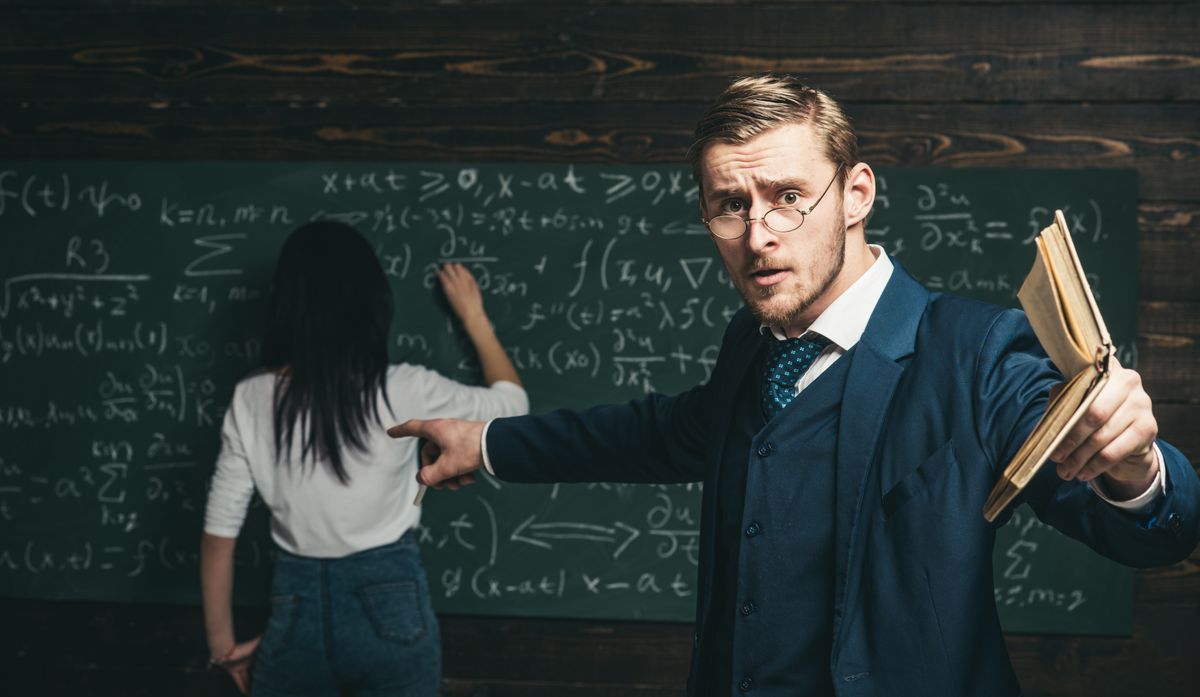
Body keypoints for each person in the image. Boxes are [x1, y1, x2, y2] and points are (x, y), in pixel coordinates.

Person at [388, 75, 1200, 697]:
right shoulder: (751, 343)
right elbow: (661, 432)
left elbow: (1157, 531)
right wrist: (486, 440)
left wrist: (1134, 468)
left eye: (786, 197)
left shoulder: (975, 353)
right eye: (728, 205)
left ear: (856, 194)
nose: (759, 235)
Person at [200, 221, 528, 696]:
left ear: (286, 303)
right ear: (373, 301)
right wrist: (474, 318)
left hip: (295, 609)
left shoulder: (252, 398)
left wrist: (223, 647)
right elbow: (513, 409)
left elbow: (218, 537)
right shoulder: (405, 387)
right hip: (391, 604)